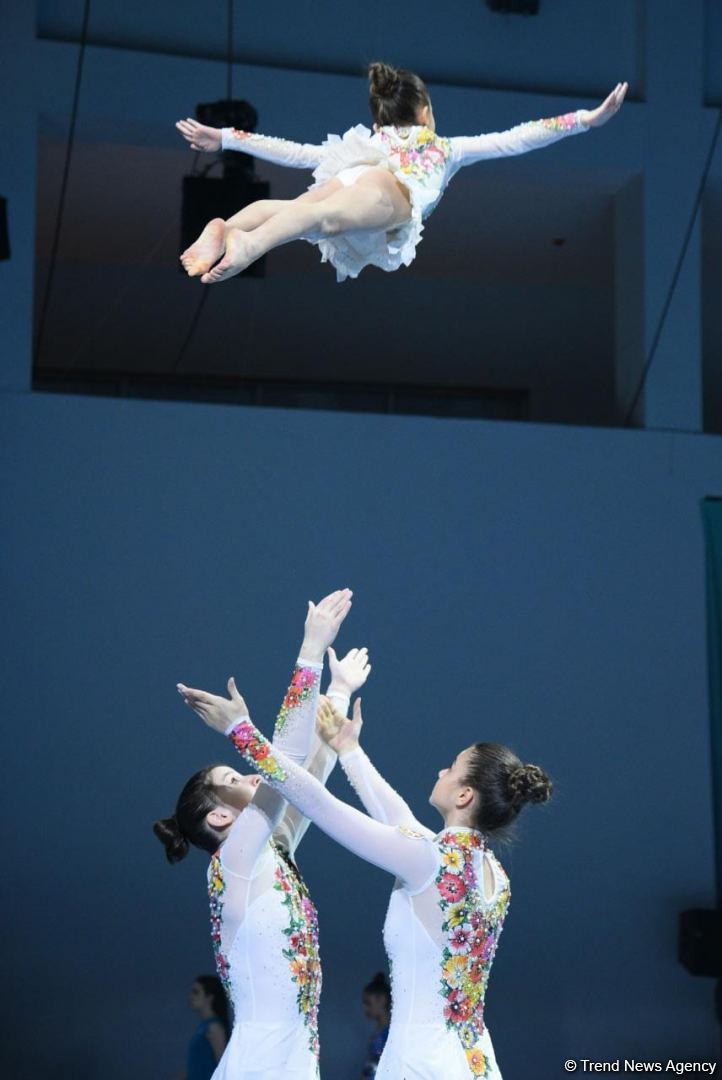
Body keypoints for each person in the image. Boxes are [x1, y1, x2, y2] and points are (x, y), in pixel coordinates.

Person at [177, 685, 552, 1079]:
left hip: (420, 1064)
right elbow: (400, 819)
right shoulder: (490, 873)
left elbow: (318, 803)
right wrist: (349, 749)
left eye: (452, 767)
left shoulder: (428, 859)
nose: (442, 770)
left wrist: (240, 730)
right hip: (475, 1061)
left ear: (464, 795)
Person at [154, 588, 371, 1079]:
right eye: (234, 780)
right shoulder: (233, 862)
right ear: (219, 818)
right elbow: (285, 763)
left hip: (292, 1060)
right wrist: (310, 648)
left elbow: (305, 781)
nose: (251, 776)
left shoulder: (270, 852)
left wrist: (338, 691)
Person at [175, 61, 627, 283]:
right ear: (426, 112)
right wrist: (586, 120)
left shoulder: (370, 142)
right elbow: (519, 137)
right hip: (388, 190)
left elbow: (295, 153)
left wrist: (228, 138)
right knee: (322, 221)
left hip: (353, 174)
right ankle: (248, 245)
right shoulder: (448, 148)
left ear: (379, 123)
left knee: (303, 212)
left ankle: (227, 224)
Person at [181, 975, 230, 1080]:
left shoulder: (214, 1028)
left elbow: (224, 1066)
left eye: (196, 992)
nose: (191, 997)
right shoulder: (205, 1027)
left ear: (209, 997)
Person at [360, 972, 391, 1079]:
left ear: (382, 1000)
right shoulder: (379, 1032)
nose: (365, 1009)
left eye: (368, 1003)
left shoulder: (390, 1034)